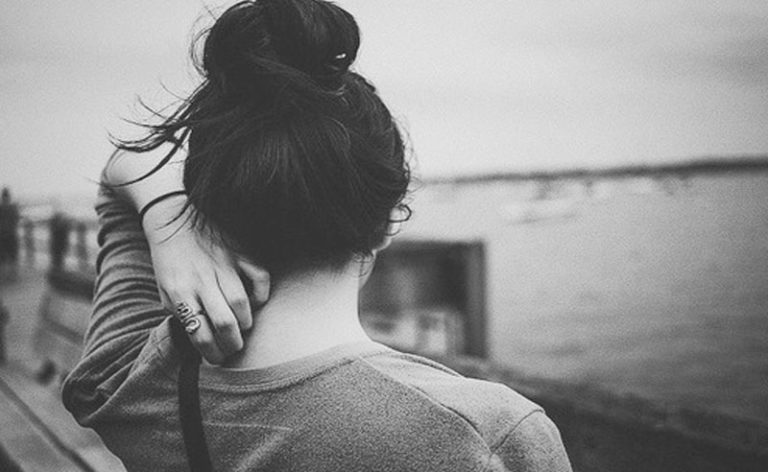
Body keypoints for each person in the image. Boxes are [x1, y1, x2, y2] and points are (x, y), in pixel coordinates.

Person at [62, 1, 572, 470]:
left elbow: (120, 174)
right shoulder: (487, 438)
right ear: (387, 221)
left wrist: (168, 220)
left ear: (209, 207)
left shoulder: (129, 387)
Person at [0, 187, 20, 279]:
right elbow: (16, 220)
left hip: (3, 236)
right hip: (11, 235)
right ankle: (12, 276)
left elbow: (16, 220)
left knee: (3, 258)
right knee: (12, 257)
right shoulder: (13, 208)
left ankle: (4, 276)